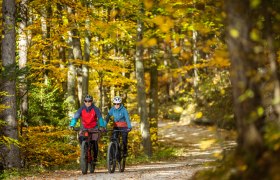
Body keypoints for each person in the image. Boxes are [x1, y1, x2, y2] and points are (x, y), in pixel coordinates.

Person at [69, 94, 105, 163]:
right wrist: (72, 125)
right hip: (85, 128)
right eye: (86, 101)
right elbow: (75, 117)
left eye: (89, 101)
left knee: (94, 142)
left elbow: (100, 118)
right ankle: (84, 151)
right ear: (84, 102)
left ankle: (95, 158)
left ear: (92, 102)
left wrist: (102, 126)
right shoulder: (81, 109)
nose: (88, 103)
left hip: (94, 128)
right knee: (81, 138)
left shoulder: (95, 109)